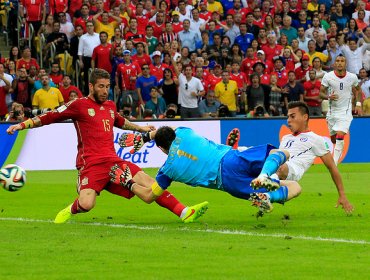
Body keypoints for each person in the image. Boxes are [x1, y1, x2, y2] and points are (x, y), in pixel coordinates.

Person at [6, 69, 208, 224]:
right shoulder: (79, 105)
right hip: (91, 165)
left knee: (150, 183)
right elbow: (50, 116)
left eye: (107, 86)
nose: (105, 90)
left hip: (113, 161)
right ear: (91, 86)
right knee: (87, 204)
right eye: (101, 86)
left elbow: (121, 121)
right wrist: (22, 125)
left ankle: (184, 212)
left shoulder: (110, 106)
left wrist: (141, 128)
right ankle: (71, 208)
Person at [113, 126, 301, 215]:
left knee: (290, 185)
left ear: (161, 149)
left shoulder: (166, 171)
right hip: (232, 159)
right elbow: (166, 130)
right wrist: (146, 136)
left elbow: (148, 197)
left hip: (228, 184)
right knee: (282, 155)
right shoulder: (184, 132)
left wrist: (128, 182)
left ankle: (268, 195)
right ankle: (263, 175)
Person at [226, 101, 354, 214]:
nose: (288, 120)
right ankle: (239, 153)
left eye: (292, 116)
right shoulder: (286, 137)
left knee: (279, 165)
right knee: (266, 153)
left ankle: (264, 179)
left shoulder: (317, 140)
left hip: (292, 169)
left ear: (305, 117)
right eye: (288, 117)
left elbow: (332, 168)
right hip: (278, 166)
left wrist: (342, 195)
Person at [320, 55, 362, 165]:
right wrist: (328, 97)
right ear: (334, 63)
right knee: (334, 139)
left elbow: (358, 89)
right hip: (332, 112)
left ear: (346, 63)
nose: (339, 63)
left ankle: (334, 164)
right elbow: (321, 93)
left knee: (340, 134)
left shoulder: (352, 77)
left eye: (342, 61)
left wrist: (358, 104)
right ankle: (337, 150)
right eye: (337, 61)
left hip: (346, 112)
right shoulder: (328, 77)